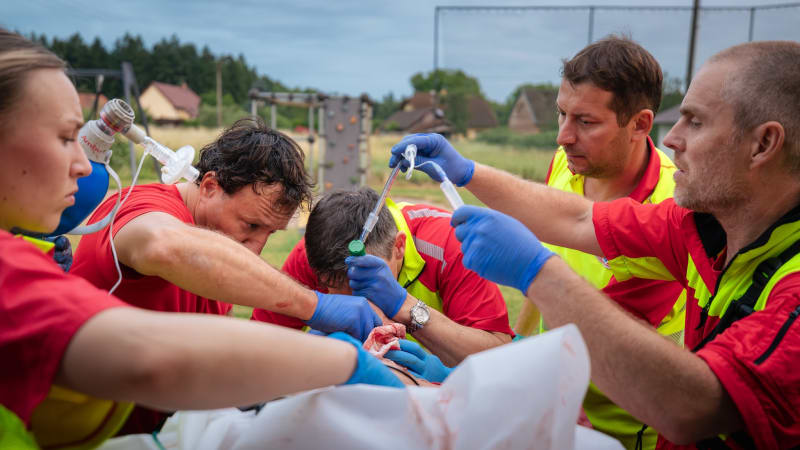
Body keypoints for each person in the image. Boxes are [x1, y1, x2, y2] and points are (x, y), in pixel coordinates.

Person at [0, 29, 401, 449]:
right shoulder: (144, 204)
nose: (256, 249)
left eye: (269, 234)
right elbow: (163, 251)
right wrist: (321, 322)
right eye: (249, 226)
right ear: (209, 185)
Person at [393, 40, 800, 449]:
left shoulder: (792, 290)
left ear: (763, 144)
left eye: (695, 122)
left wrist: (538, 272)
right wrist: (464, 170)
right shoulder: (703, 226)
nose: (672, 138)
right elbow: (580, 217)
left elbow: (688, 407)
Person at [510, 36, 686, 449]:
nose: (563, 137)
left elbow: (615, 329)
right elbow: (546, 263)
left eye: (585, 122)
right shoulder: (567, 163)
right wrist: (519, 342)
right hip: (553, 390)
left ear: (641, 124)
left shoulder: (673, 207)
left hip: (627, 423)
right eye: (561, 115)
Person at [252, 188, 513, 368]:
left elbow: (498, 358)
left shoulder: (450, 245)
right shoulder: (311, 255)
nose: (361, 303)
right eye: (333, 289)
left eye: (367, 285)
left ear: (399, 247)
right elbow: (257, 347)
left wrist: (406, 308)